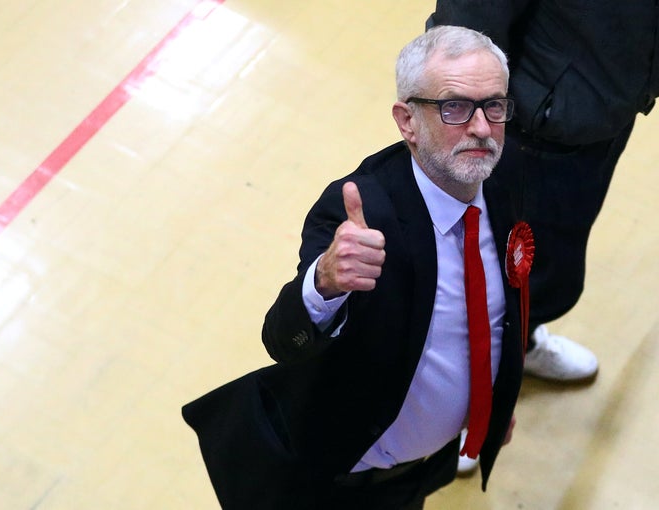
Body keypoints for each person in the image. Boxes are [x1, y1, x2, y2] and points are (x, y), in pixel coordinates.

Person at [183, 25, 527, 509]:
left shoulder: (503, 172)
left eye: (494, 105)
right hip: (335, 481)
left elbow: (497, 313)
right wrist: (325, 281)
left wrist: (496, 397)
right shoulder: (362, 211)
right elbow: (282, 339)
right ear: (407, 120)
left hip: (423, 468)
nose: (481, 128)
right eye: (454, 107)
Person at [427, 0, 659, 475]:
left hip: (601, 109)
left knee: (545, 267)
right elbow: (465, 22)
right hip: (525, 128)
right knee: (470, 277)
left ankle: (519, 345)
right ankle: (446, 411)